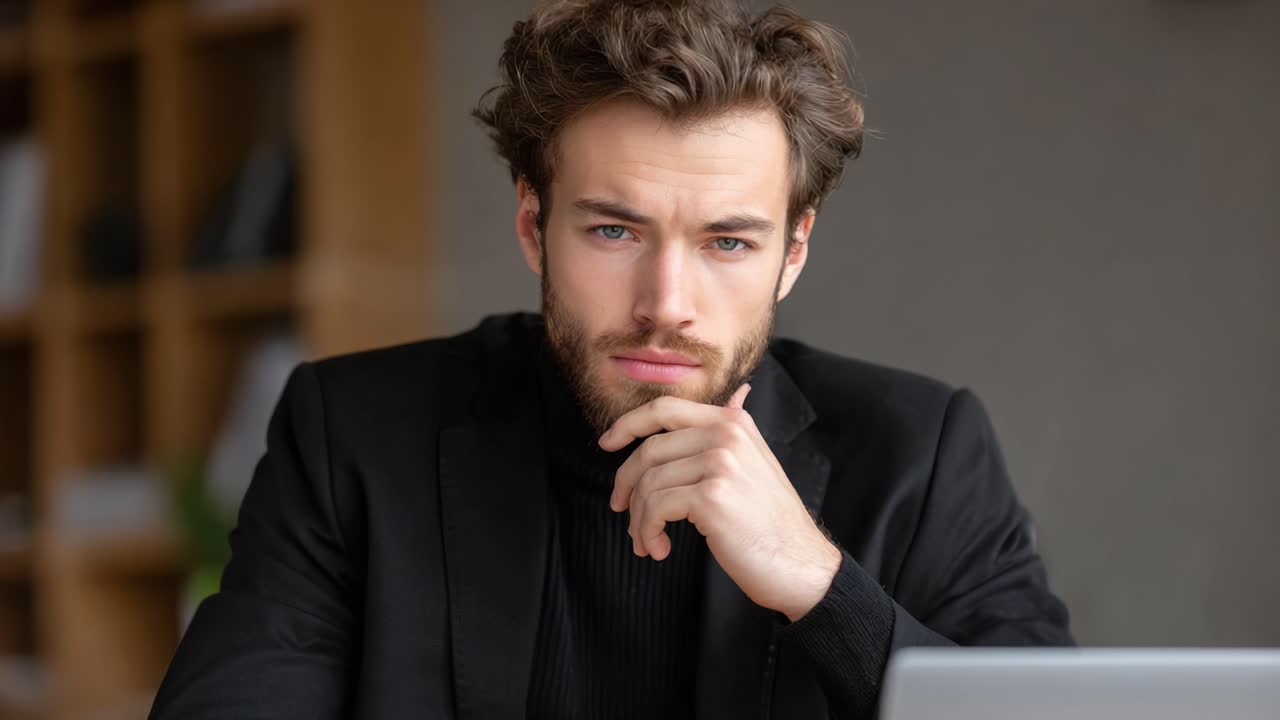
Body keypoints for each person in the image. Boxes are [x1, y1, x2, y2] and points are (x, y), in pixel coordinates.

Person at [150, 1, 1072, 718]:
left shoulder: (925, 453)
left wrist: (822, 589)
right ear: (531, 226)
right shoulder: (353, 435)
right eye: (614, 229)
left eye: (728, 243)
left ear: (793, 252)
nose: (665, 304)